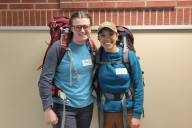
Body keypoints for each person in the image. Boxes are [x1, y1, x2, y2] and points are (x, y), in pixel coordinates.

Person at [38, 11, 95, 128]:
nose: (83, 31)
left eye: (86, 26)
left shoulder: (92, 46)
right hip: (64, 107)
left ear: (91, 27)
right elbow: (45, 80)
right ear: (71, 28)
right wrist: (47, 109)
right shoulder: (59, 47)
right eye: (78, 27)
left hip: (87, 107)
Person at [95, 21, 144, 128]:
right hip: (104, 111)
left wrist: (137, 115)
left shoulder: (129, 56)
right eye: (102, 35)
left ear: (117, 36)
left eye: (110, 34)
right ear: (98, 38)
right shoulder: (97, 57)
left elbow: (138, 86)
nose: (106, 38)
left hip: (127, 110)